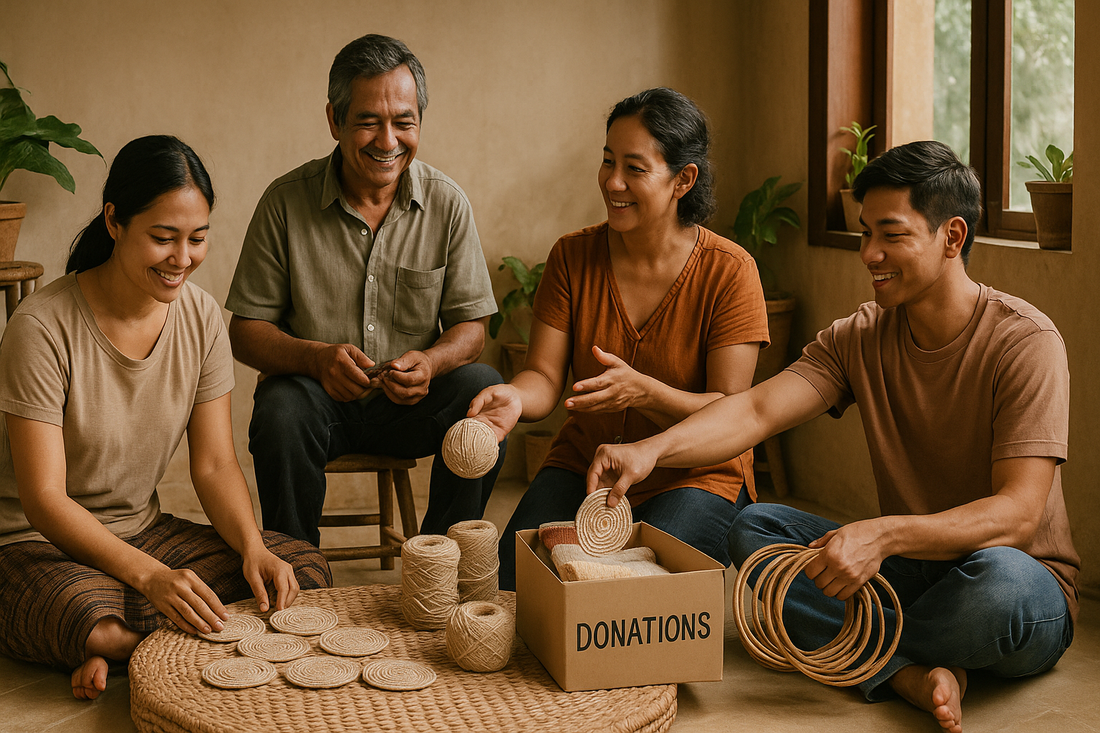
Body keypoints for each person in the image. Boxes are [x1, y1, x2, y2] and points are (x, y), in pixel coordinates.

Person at [587, 140, 1079, 733]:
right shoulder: (860, 335)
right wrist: (650, 450)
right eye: (865, 232)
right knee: (755, 531)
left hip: (1019, 580)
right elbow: (756, 411)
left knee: (998, 587)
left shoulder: (1026, 342)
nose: (869, 253)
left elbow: (1019, 515)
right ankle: (908, 670)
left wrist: (882, 535)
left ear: (952, 237)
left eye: (890, 235)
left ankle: (873, 651)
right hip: (911, 568)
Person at [0, 136, 331, 701]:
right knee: (77, 612)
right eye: (162, 238)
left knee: (299, 569)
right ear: (114, 222)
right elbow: (44, 500)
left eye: (197, 238)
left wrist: (253, 547)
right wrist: (150, 578)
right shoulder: (40, 327)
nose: (182, 258)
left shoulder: (200, 317)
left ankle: (121, 647)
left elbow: (214, 463)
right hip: (34, 545)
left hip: (143, 533)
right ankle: (115, 637)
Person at [470, 87, 770, 591]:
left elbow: (730, 411)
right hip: (586, 466)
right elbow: (544, 375)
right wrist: (514, 398)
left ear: (683, 180)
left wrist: (646, 392)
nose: (613, 182)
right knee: (511, 587)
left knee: (627, 594)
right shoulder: (571, 257)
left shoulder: (731, 272)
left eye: (635, 168)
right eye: (608, 162)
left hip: (694, 475)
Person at [225, 34, 504, 544]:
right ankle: (295, 572)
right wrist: (315, 360)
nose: (388, 141)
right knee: (279, 410)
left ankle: (439, 561)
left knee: (482, 392)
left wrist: (433, 362)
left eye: (404, 122)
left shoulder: (447, 204)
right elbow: (245, 332)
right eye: (368, 122)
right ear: (334, 120)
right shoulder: (285, 203)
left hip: (411, 407)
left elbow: (472, 327)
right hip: (316, 404)